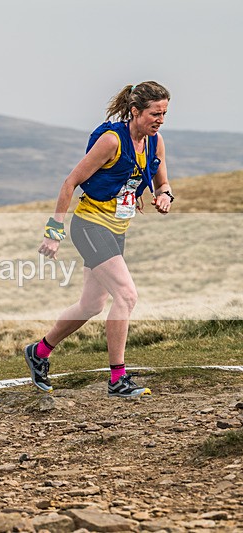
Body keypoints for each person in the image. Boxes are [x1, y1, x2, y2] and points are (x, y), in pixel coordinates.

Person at [25, 81, 173, 399]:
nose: (160, 119)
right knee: (127, 295)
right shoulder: (111, 141)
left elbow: (162, 182)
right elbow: (70, 182)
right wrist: (53, 234)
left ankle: (39, 351)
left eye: (164, 113)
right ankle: (117, 379)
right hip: (90, 226)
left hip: (117, 229)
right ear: (135, 111)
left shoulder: (155, 142)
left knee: (91, 304)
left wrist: (165, 196)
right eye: (154, 113)